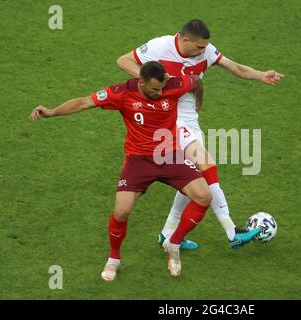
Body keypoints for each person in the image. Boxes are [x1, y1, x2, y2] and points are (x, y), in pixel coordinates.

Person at [29, 61, 222, 280]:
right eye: (154, 90)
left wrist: (198, 102)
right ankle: (113, 259)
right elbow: (83, 102)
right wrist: (52, 112)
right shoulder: (122, 93)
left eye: (161, 88)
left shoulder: (173, 85)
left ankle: (173, 243)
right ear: (140, 83)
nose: (159, 93)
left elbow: (196, 81)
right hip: (138, 160)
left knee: (204, 196)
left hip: (170, 156)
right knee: (121, 211)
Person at [117, 19, 284, 250]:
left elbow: (234, 67)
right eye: (198, 48)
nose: (203, 52)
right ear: (185, 40)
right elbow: (123, 60)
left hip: (190, 120)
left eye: (205, 48)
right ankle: (232, 231)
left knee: (191, 178)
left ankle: (167, 234)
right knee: (206, 165)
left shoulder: (205, 51)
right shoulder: (160, 46)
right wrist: (154, 81)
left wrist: (261, 75)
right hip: (169, 120)